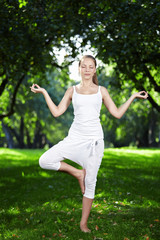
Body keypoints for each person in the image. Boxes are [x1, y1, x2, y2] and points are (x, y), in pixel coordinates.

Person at [30, 55, 148, 232]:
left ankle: (83, 223)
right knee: (44, 160)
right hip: (74, 139)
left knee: (91, 182)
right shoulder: (72, 90)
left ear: (94, 69)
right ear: (79, 68)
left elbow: (116, 113)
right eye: (83, 66)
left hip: (94, 142)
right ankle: (78, 173)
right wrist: (45, 92)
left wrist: (132, 97)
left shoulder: (102, 90)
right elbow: (56, 112)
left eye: (90, 66)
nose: (86, 69)